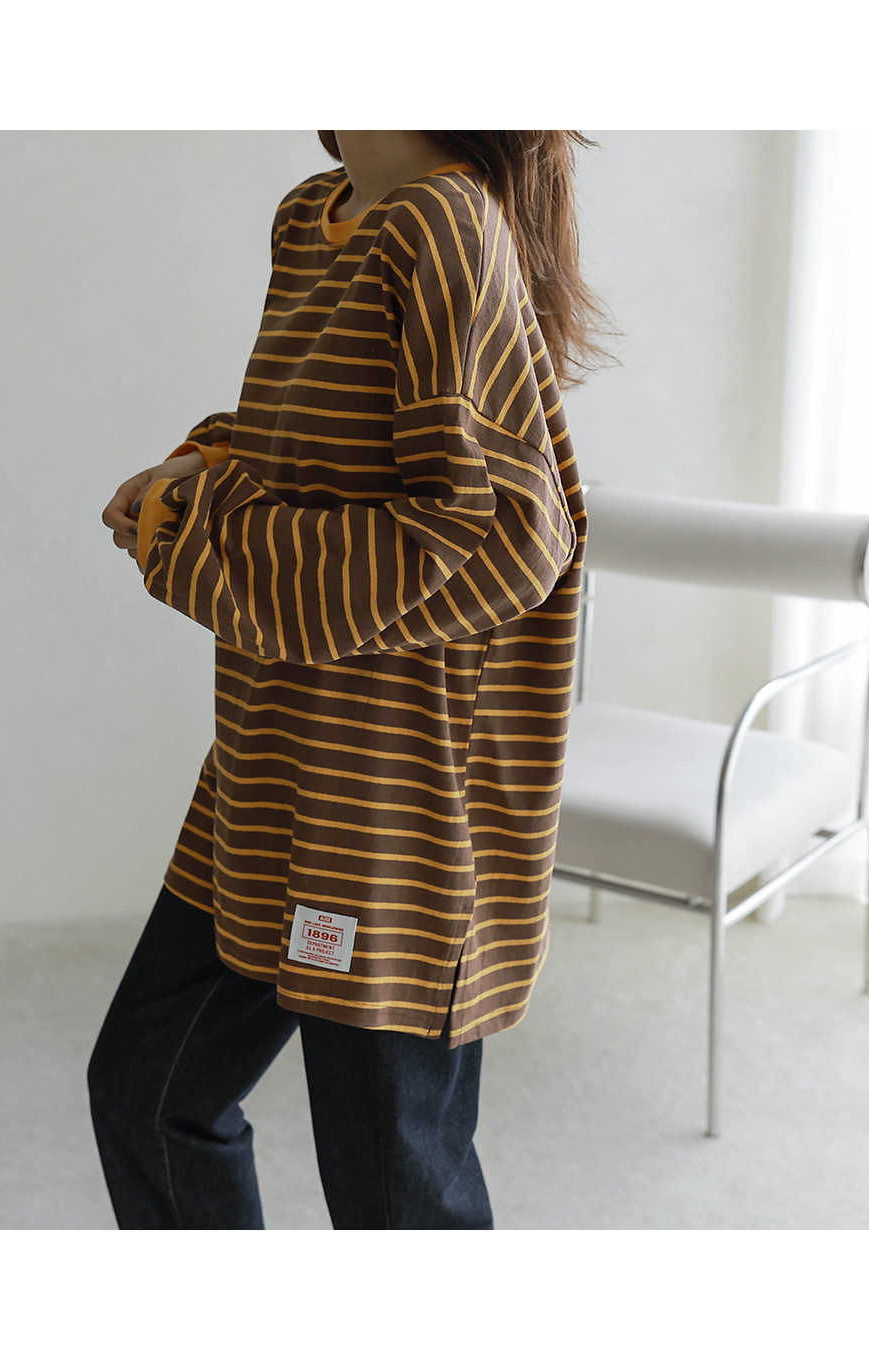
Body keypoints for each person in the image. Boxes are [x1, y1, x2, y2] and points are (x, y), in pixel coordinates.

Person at [90, 130, 615, 1229]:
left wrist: (198, 531)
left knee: (392, 1202)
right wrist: (205, 465)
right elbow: (312, 450)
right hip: (270, 762)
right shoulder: (312, 215)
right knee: (148, 1092)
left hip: (386, 811)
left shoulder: (443, 223)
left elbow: (502, 534)